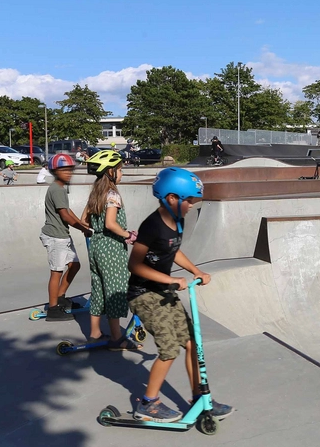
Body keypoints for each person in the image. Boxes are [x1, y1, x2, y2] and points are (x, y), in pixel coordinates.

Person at [127, 167, 233, 423]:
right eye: (189, 201)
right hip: (144, 294)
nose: (192, 206)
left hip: (164, 291)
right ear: (171, 198)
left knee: (192, 343)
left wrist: (196, 271)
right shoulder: (152, 225)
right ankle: (148, 403)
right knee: (169, 348)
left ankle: (200, 398)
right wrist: (171, 279)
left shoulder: (178, 221)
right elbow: (135, 265)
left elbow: (173, 251)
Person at [81, 150, 140, 349]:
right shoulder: (113, 194)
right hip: (111, 248)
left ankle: (95, 333)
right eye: (120, 170)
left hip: (96, 246)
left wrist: (96, 230)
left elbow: (83, 221)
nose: (122, 173)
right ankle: (117, 338)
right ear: (110, 172)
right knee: (115, 290)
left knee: (98, 288)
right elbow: (110, 224)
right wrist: (128, 235)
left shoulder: (96, 194)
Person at [39, 153, 91, 322]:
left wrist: (82, 225)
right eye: (64, 170)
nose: (68, 173)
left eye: (70, 170)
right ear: (55, 171)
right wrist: (82, 228)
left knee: (75, 265)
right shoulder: (56, 189)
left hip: (62, 235)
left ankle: (60, 297)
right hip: (55, 236)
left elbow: (68, 211)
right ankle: (53, 309)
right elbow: (65, 216)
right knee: (56, 272)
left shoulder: (60, 189)